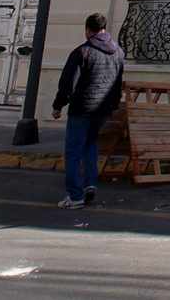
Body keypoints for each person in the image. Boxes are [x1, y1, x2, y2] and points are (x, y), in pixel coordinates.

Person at [52, 12, 125, 207]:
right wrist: (113, 105)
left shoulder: (82, 52)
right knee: (91, 144)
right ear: (104, 29)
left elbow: (68, 83)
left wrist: (58, 105)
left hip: (82, 109)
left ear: (88, 30)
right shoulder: (118, 52)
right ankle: (90, 184)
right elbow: (117, 83)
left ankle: (75, 196)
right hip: (102, 110)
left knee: (74, 151)